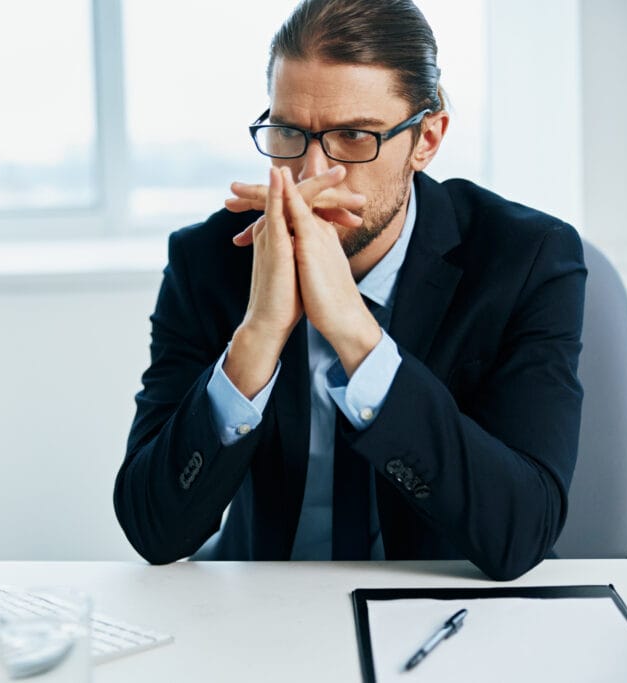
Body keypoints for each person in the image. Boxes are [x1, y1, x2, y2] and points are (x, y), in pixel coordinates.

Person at [113, 0, 586, 581]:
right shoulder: (210, 260)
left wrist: (359, 339)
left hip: (443, 606)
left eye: (354, 137)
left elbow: (521, 531)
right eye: (289, 132)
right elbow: (153, 531)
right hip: (264, 609)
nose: (312, 174)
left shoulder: (527, 259)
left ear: (427, 139)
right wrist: (257, 338)